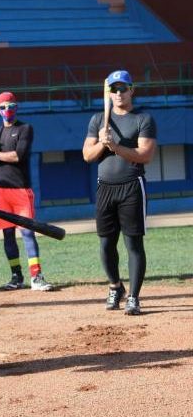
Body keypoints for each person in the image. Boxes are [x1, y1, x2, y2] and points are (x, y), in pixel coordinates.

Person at [82, 70, 156, 315]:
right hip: (105, 187)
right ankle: (115, 286)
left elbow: (145, 155)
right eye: (113, 89)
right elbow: (87, 156)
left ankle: (134, 297)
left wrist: (116, 146)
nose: (117, 93)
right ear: (108, 93)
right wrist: (103, 143)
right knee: (105, 244)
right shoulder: (97, 120)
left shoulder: (142, 119)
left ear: (131, 90)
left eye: (122, 88)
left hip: (132, 186)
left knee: (133, 243)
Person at [0, 92, 53, 292]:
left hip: (20, 189)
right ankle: (16, 276)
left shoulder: (25, 129)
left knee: (27, 232)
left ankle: (36, 276)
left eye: (10, 106)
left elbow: (17, 156)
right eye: (3, 107)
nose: (7, 110)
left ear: (16, 107)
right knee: (8, 234)